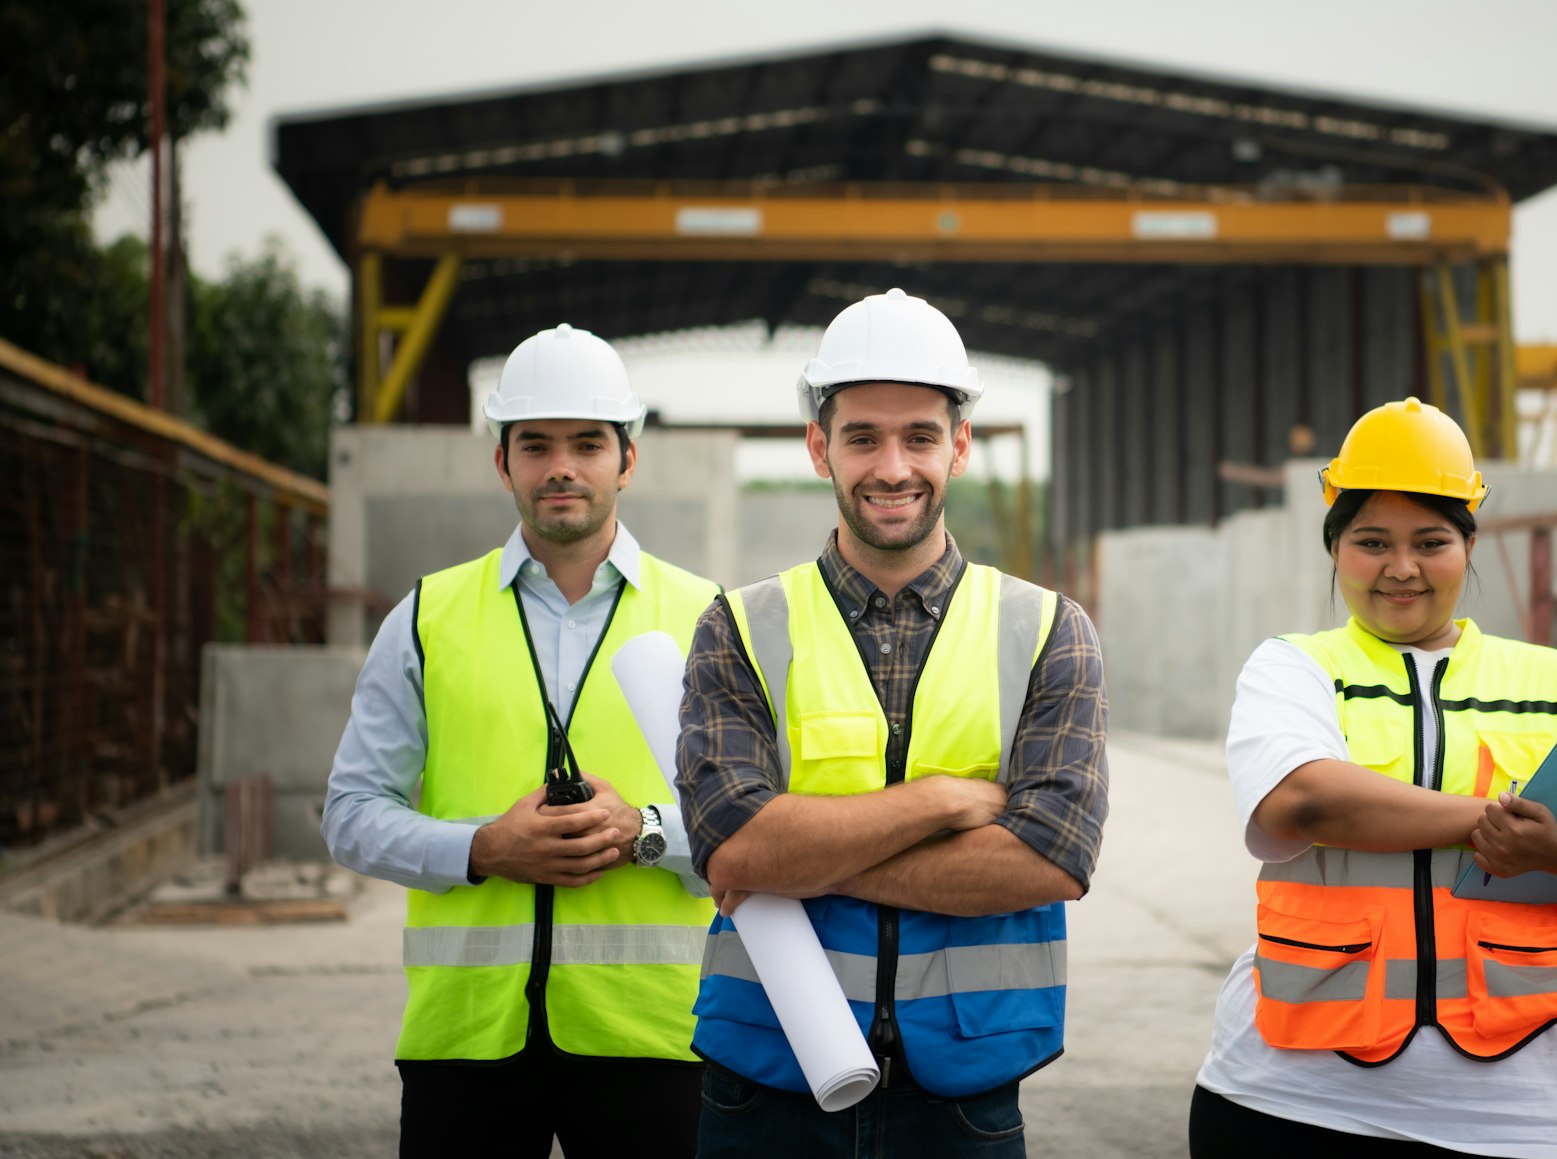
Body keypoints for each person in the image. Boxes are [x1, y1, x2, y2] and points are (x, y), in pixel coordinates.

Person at [1188, 397, 1557, 1159]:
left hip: (1541, 1106)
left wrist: (1554, 848)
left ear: (1468, 545)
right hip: (1302, 1094)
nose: (1401, 568)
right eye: (1371, 540)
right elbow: (1304, 798)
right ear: (1334, 546)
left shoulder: (1554, 682)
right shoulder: (1299, 666)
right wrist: (1493, 820)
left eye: (1430, 541)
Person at [675, 288, 1109, 1158]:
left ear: (959, 443)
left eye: (918, 435)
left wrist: (806, 855)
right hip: (767, 1077)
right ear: (817, 446)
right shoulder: (742, 624)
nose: (892, 466)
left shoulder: (1047, 629)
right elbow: (734, 852)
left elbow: (1053, 857)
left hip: (965, 1088)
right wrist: (946, 802)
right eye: (862, 436)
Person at [322, 323, 721, 1158]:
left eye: (587, 443)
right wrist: (483, 846)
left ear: (628, 458)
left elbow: (761, 823)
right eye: (535, 445)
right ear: (501, 461)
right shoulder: (427, 617)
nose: (561, 467)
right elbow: (351, 814)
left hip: (657, 1040)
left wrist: (645, 831)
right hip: (466, 1046)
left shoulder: (710, 621)